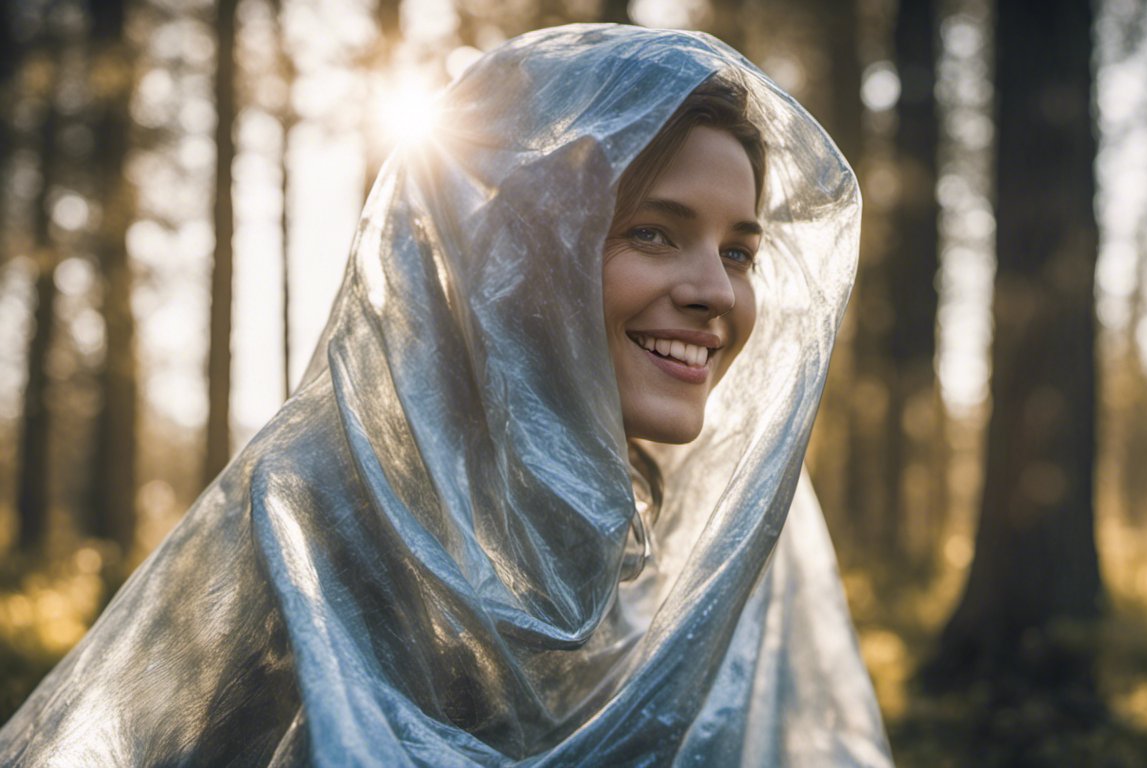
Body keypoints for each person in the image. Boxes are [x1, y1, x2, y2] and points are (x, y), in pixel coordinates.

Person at [0, 24, 891, 766]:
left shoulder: (689, 547)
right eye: (654, 234)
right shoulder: (327, 511)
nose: (716, 294)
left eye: (739, 252)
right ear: (520, 258)